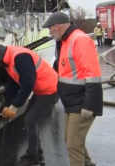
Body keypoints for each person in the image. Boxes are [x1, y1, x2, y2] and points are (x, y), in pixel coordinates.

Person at [42, 12, 102, 166]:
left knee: (73, 145)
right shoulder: (64, 41)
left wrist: (89, 105)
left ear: (57, 26)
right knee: (71, 140)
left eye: (50, 29)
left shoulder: (79, 40)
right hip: (71, 101)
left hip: (82, 102)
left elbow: (93, 75)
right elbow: (63, 69)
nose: (49, 32)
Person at [0, 42, 59, 166]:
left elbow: (28, 83)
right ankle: (37, 154)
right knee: (29, 119)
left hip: (52, 89)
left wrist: (15, 106)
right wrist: (7, 105)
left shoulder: (20, 57)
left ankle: (33, 157)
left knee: (31, 120)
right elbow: (12, 85)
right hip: (42, 90)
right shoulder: (9, 62)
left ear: (0, 57)